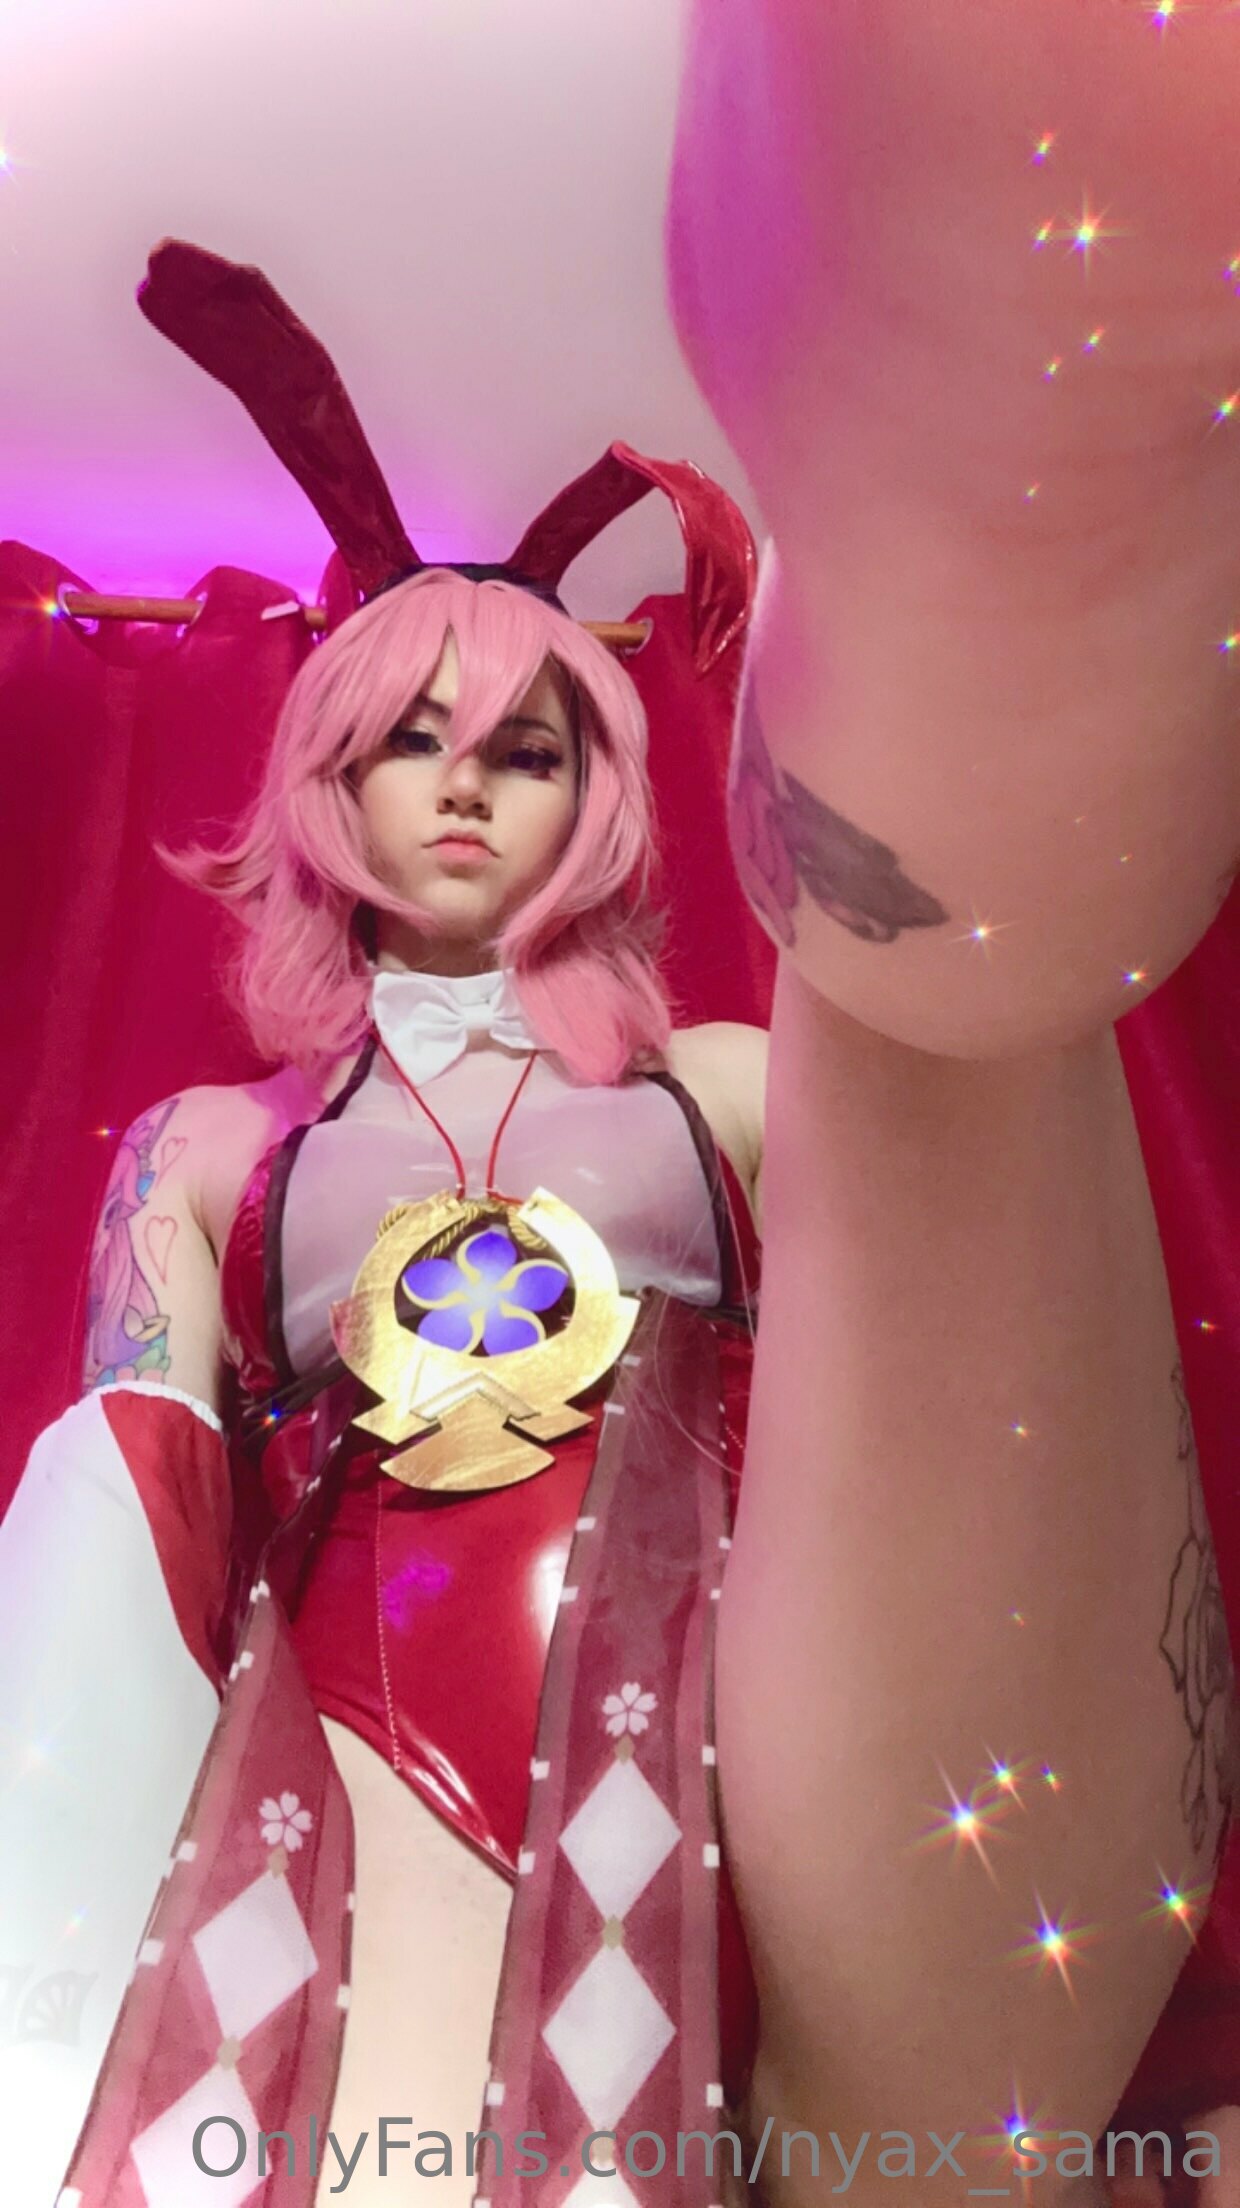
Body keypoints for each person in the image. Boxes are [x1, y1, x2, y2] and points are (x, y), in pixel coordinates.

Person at [5, 5, 1240, 2205]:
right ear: (322, 779)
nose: (469, 782)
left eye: (531, 742)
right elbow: (110, 1580)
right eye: (413, 736)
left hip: (795, 1723)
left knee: (917, 1107)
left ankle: (944, 759)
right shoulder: (210, 1152)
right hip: (348, 1762)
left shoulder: (720, 1089)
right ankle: (942, 763)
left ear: (601, 791)